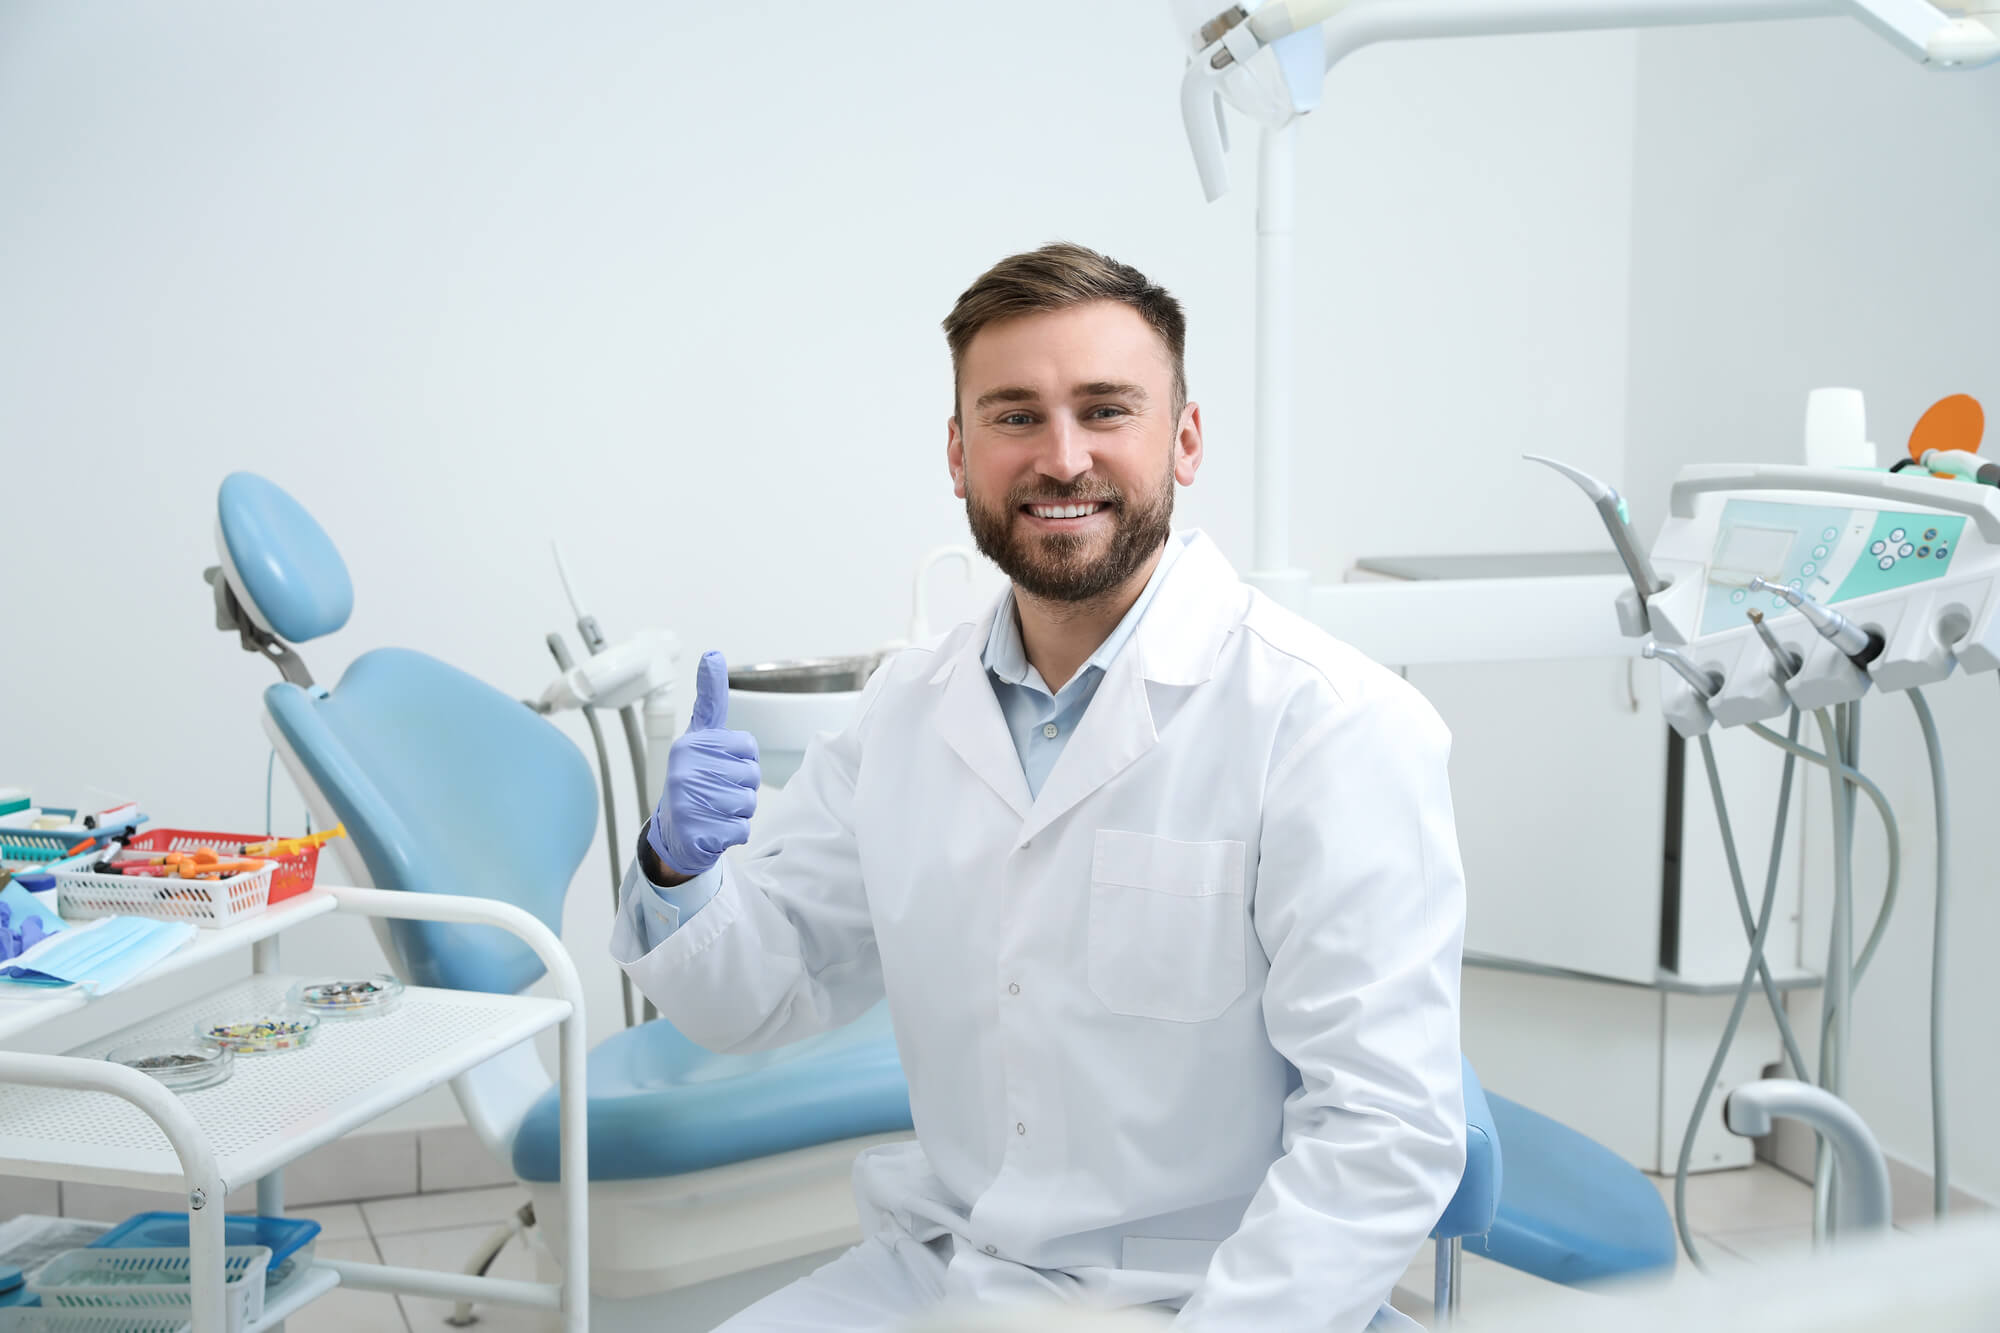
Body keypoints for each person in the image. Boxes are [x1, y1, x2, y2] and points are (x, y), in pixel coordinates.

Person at [611, 242, 1467, 1331]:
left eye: (1105, 409)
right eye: (1014, 417)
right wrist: (679, 868)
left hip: (1214, 1292)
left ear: (1185, 439)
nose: (1062, 458)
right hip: (950, 1272)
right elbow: (758, 994)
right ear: (959, 453)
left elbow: (1381, 1129)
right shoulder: (906, 713)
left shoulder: (1328, 726)